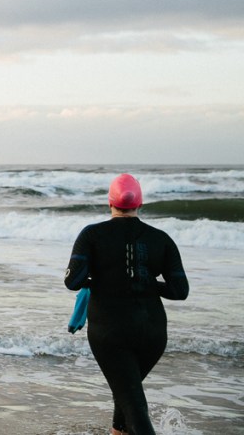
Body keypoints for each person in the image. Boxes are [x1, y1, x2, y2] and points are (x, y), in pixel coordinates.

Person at [64, 173, 189, 435]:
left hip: (110, 332)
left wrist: (101, 279)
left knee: (133, 404)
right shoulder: (161, 238)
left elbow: (73, 281)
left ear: (109, 203)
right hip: (153, 333)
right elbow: (180, 291)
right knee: (126, 390)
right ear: (139, 204)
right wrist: (147, 282)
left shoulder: (92, 235)